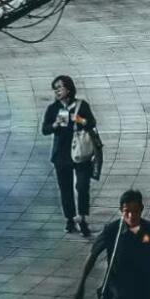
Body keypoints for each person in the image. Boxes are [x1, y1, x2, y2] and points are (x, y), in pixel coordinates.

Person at [42, 75, 98, 236]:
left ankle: (82, 218)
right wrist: (54, 125)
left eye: (60, 87)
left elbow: (92, 123)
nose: (57, 91)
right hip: (61, 155)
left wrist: (79, 119)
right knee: (65, 188)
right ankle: (70, 219)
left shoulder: (81, 105)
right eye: (55, 89)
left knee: (82, 186)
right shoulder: (53, 108)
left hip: (81, 152)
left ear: (69, 88)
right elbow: (45, 130)